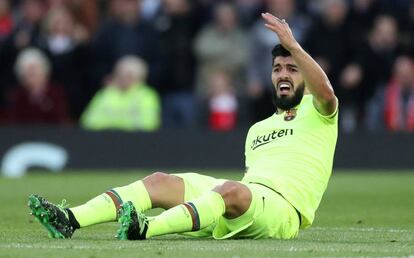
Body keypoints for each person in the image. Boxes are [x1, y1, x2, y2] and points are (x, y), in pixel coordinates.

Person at [28, 12, 338, 240]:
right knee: (160, 181)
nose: (283, 74)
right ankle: (69, 218)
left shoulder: (320, 110)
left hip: (282, 213)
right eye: (278, 68)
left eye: (292, 69)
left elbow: (325, 90)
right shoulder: (257, 130)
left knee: (230, 190)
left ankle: (145, 229)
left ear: (306, 76)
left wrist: (295, 48)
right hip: (244, 199)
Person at [80, 55, 161, 132]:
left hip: (136, 142)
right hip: (103, 140)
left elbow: (148, 125)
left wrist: (114, 124)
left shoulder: (147, 95)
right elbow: (88, 122)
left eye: (129, 76)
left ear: (140, 77)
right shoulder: (105, 93)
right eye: (120, 75)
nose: (124, 79)